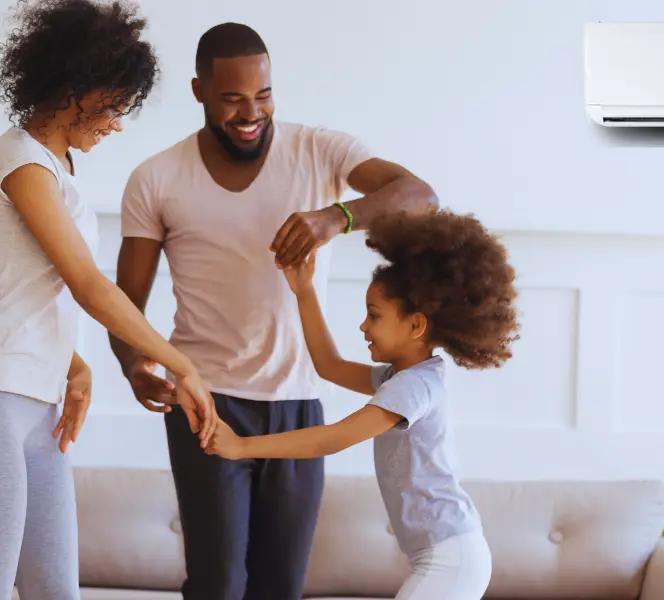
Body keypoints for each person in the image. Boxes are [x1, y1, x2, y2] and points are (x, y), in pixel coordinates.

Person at [109, 22, 437, 599]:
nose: (250, 112)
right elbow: (124, 302)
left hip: (298, 401)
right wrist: (134, 362)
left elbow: (420, 197)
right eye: (232, 98)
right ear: (199, 92)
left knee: (280, 588)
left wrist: (335, 216)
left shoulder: (321, 150)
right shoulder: (156, 178)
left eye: (262, 96)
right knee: (216, 585)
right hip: (204, 400)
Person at [0, 2, 217, 599]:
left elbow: (26, 286)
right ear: (73, 86)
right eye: (113, 104)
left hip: (36, 403)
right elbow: (87, 284)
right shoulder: (20, 163)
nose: (116, 122)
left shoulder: (59, 165)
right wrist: (184, 364)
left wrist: (74, 363)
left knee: (56, 590)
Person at [206, 210, 520, 600]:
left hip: (451, 557)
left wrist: (240, 447)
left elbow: (331, 439)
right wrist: (304, 292)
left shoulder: (414, 388)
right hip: (446, 553)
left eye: (374, 316)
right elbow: (329, 365)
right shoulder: (401, 378)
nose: (363, 327)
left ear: (416, 325)